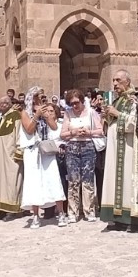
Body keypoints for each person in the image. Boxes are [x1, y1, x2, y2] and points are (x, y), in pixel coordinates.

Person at [100, 69, 138, 230]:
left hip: (129, 148)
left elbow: (136, 123)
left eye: (118, 80)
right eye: (113, 80)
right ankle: (117, 219)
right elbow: (111, 123)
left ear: (127, 81)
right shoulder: (117, 100)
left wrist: (117, 114)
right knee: (114, 180)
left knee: (128, 180)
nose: (114, 84)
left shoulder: (135, 99)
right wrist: (106, 118)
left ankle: (131, 220)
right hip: (115, 148)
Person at [19, 87, 66, 229]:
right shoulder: (25, 113)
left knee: (53, 179)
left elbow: (53, 127)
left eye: (42, 97)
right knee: (34, 183)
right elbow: (29, 129)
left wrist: (46, 115)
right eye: (39, 97)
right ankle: (35, 216)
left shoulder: (45, 110)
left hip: (46, 150)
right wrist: (36, 115)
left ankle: (61, 213)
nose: (42, 99)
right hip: (32, 151)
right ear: (32, 98)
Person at [59, 88, 101, 223]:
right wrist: (73, 132)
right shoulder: (68, 114)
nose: (74, 106)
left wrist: (89, 132)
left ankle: (89, 210)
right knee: (73, 180)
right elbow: (62, 134)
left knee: (88, 180)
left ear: (82, 101)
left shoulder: (91, 113)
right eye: (72, 104)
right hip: (73, 148)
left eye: (77, 103)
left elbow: (100, 130)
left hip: (88, 146)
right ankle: (72, 211)